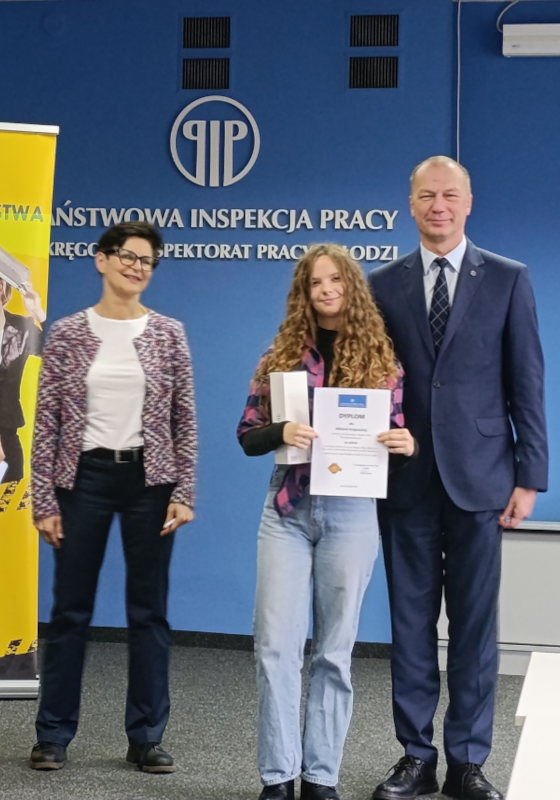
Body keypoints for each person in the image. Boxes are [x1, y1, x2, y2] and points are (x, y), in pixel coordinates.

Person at [368, 156, 548, 800]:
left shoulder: (508, 278)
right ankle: (415, 758)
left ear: (468, 204)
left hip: (483, 478)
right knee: (410, 625)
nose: (438, 206)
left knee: (474, 628)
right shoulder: (381, 284)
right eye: (426, 196)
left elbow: (527, 382)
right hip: (405, 479)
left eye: (449, 195)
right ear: (410, 205)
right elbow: (368, 378)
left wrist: (530, 476)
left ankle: (467, 763)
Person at [237, 244, 415, 800]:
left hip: (352, 511)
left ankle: (320, 778)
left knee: (334, 653)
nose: (326, 289)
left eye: (336, 279)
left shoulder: (382, 362)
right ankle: (278, 777)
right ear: (304, 292)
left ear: (351, 286)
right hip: (287, 509)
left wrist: (405, 444)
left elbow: (395, 438)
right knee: (275, 648)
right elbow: (247, 435)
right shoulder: (280, 356)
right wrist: (281, 432)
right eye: (315, 282)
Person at [29, 221, 197, 772]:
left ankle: (146, 736)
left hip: (151, 481)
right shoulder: (67, 333)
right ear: (101, 259)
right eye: (127, 256)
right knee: (70, 610)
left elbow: (183, 420)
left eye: (147, 260)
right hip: (83, 480)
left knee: (149, 612)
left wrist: (184, 491)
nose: (136, 267)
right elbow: (46, 422)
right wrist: (44, 500)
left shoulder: (169, 333)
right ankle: (53, 735)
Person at [0, 278, 46, 483]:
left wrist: (38, 314)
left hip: (8, 436)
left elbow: (62, 354)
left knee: (11, 498)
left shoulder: (22, 327)